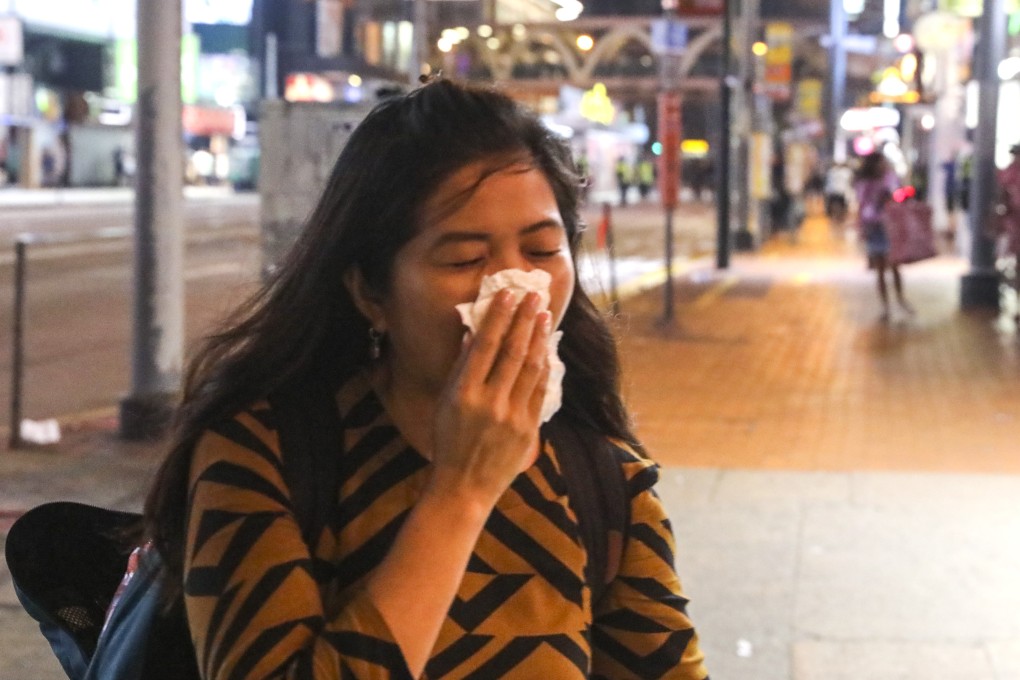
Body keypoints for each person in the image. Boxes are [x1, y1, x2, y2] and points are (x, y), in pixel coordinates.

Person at [141, 79, 709, 679]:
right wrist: (461, 491)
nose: (516, 290)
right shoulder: (266, 452)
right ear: (370, 291)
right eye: (465, 260)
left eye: (543, 250)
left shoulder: (603, 482)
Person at [854, 151, 913, 321]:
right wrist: (862, 228)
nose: (882, 165)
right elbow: (862, 204)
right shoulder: (865, 183)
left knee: (895, 265)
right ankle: (885, 306)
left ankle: (900, 300)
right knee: (880, 269)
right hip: (874, 227)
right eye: (880, 162)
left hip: (889, 226)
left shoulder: (889, 178)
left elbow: (897, 196)